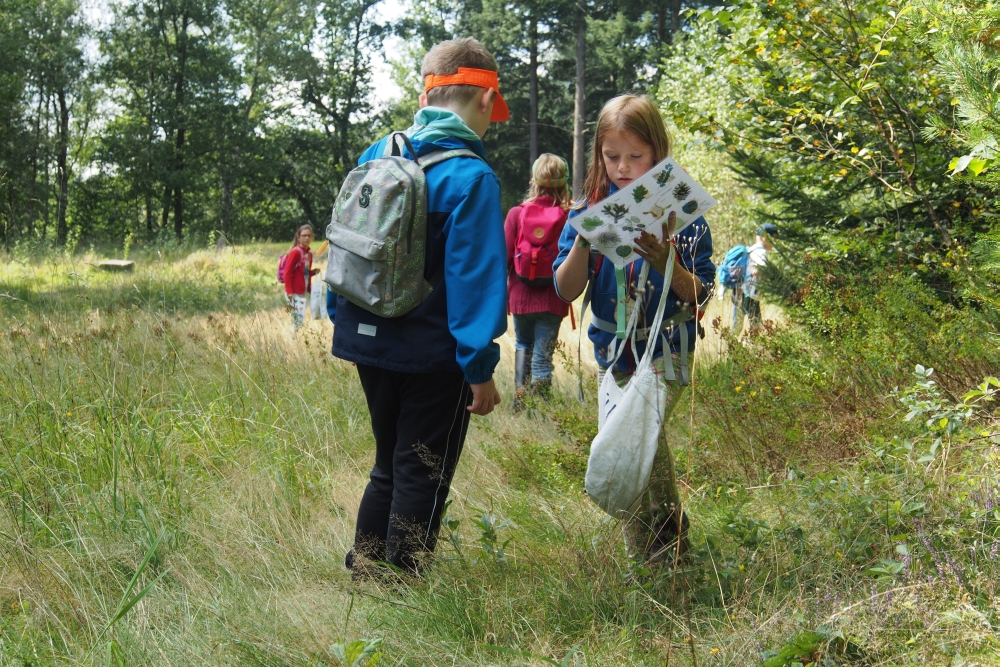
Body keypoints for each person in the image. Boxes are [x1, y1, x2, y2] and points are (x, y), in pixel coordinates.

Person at [331, 37, 509, 577]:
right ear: (485, 100)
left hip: (366, 337)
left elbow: (348, 243)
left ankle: (367, 566)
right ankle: (404, 579)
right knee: (422, 469)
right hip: (432, 354)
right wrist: (478, 366)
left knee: (389, 462)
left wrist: (344, 323)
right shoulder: (471, 176)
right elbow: (473, 280)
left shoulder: (378, 154)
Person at [553, 94, 715, 564]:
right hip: (613, 354)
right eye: (611, 156)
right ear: (599, 154)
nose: (622, 167)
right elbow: (565, 290)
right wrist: (584, 241)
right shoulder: (586, 210)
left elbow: (700, 295)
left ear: (658, 151)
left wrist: (668, 263)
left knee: (635, 448)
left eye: (635, 156)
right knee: (642, 454)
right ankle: (669, 551)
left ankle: (650, 562)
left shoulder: (682, 214)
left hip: (665, 351)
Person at [504, 153, 571, 410]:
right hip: (553, 299)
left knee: (523, 345)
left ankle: (520, 405)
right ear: (563, 181)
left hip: (520, 297)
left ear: (534, 180)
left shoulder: (516, 214)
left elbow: (506, 258)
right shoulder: (568, 217)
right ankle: (541, 411)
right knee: (543, 359)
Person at [741, 223, 777, 333]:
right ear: (766, 238)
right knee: (757, 326)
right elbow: (757, 271)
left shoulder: (750, 249)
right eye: (774, 239)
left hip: (740, 291)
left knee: (742, 326)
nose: (775, 243)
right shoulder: (761, 252)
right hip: (750, 295)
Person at [284, 224, 319, 332]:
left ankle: (294, 342)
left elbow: (304, 273)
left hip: (302, 291)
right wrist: (289, 292)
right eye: (304, 235)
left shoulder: (309, 254)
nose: (307, 238)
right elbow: (287, 272)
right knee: (297, 319)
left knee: (299, 319)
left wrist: (313, 273)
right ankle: (292, 342)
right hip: (293, 292)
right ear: (298, 237)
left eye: (309, 235)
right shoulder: (295, 252)